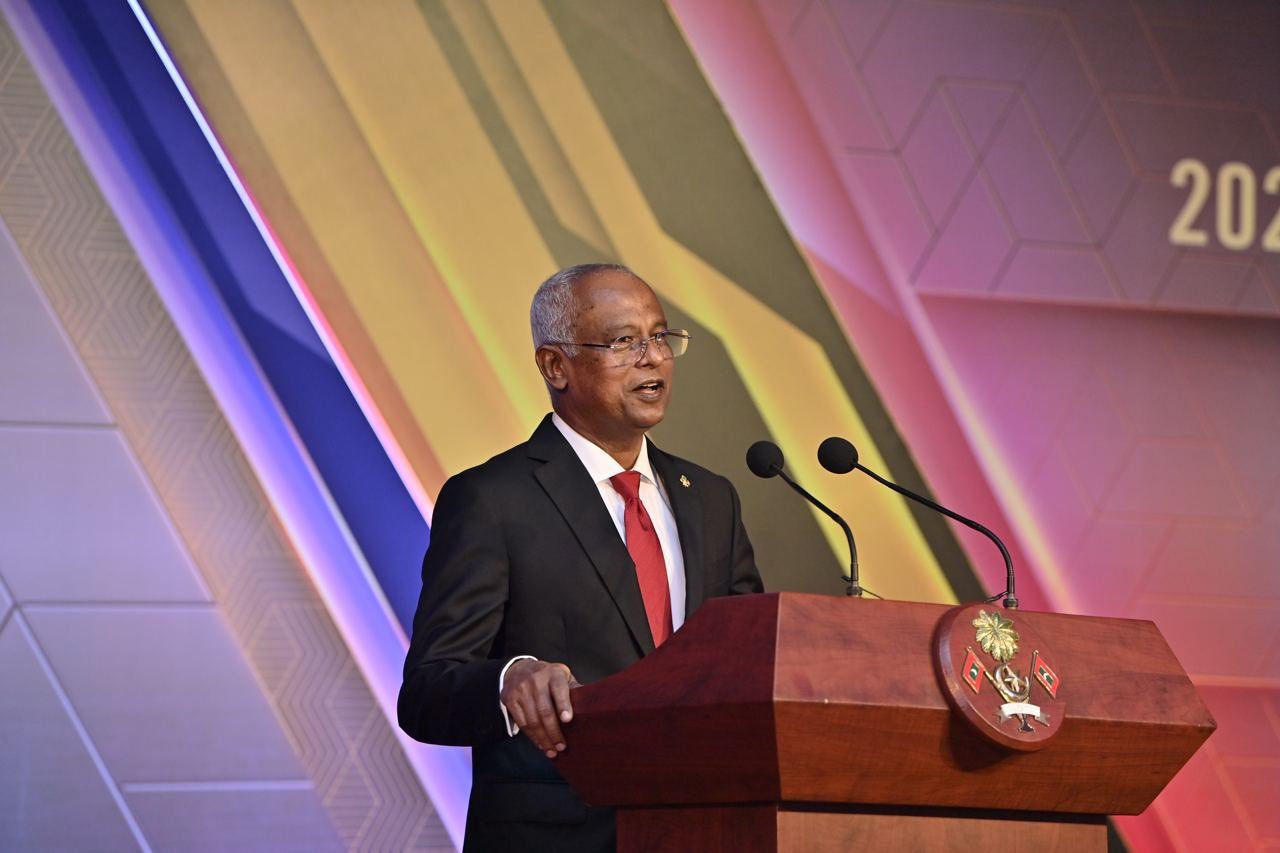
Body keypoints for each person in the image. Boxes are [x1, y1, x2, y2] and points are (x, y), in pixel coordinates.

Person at [398, 263, 763, 851]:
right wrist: (508, 679)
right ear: (554, 366)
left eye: (660, 336)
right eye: (623, 341)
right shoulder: (493, 499)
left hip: (700, 828)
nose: (653, 358)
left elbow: (747, 662)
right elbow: (427, 693)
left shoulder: (711, 498)